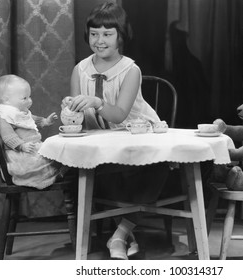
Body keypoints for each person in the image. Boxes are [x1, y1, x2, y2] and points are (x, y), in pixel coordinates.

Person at [62, 2, 169, 259]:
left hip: (135, 135)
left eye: (107, 34)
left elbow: (120, 114)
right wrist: (70, 109)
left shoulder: (131, 70)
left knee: (158, 165)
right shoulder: (80, 70)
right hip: (102, 139)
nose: (100, 40)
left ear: (121, 36)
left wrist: (97, 102)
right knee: (96, 166)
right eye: (94, 34)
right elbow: (76, 113)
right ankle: (124, 235)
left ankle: (120, 233)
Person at [0, 74, 68, 189]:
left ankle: (58, 171)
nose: (30, 100)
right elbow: (8, 137)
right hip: (20, 153)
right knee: (38, 162)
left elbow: (31, 119)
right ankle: (50, 176)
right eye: (25, 98)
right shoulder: (2, 116)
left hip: (32, 148)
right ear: (6, 99)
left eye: (29, 97)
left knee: (53, 151)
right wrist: (21, 146)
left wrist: (45, 121)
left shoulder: (18, 112)